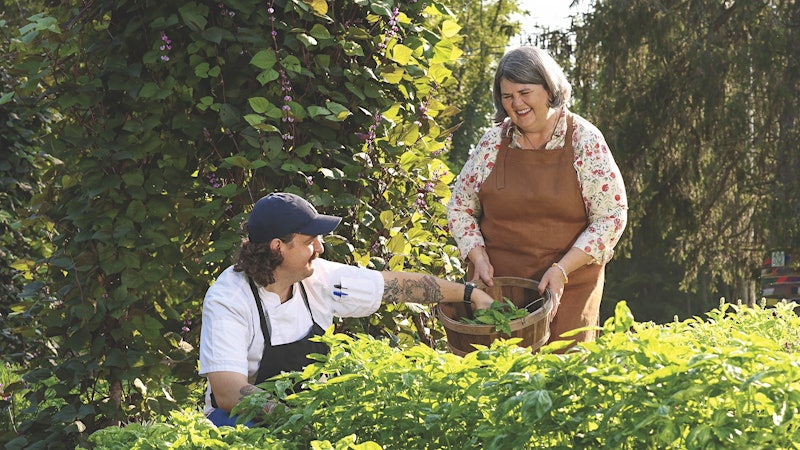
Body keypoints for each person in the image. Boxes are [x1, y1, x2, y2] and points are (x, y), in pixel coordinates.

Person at [199, 192, 495, 427]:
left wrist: (469, 294)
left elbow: (394, 286)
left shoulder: (318, 277)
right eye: (309, 240)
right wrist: (297, 422)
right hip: (241, 425)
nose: (320, 248)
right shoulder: (229, 299)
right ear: (278, 247)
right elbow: (228, 391)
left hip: (306, 416)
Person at [446, 45, 628, 347]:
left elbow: (611, 217)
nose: (516, 104)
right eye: (507, 96)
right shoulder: (492, 143)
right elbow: (459, 208)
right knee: (496, 381)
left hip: (567, 285)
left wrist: (561, 270)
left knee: (563, 379)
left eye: (524, 92)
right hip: (499, 292)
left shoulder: (584, 140)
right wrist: (476, 256)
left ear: (549, 88)